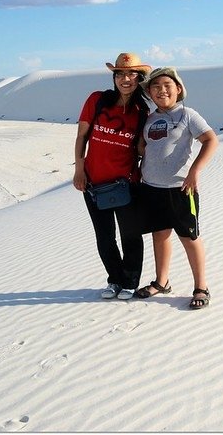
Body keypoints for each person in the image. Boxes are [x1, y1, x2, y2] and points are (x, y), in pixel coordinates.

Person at [135, 67, 219, 309]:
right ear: (149, 93)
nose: (161, 90)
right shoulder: (150, 119)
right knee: (159, 235)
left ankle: (201, 287)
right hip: (152, 188)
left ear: (178, 89)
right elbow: (145, 147)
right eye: (156, 86)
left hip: (181, 189)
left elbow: (211, 140)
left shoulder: (188, 114)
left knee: (189, 237)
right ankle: (161, 282)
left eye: (167, 86)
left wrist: (194, 171)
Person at [73, 52, 152, 300]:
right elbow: (81, 137)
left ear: (139, 78)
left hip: (126, 183)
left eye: (131, 74)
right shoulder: (97, 100)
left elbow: (141, 148)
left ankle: (130, 282)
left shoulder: (142, 111)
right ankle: (114, 280)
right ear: (115, 77)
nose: (125, 79)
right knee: (104, 236)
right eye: (120, 74)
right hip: (93, 182)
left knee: (130, 233)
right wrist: (79, 168)